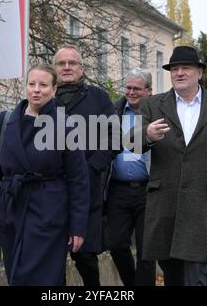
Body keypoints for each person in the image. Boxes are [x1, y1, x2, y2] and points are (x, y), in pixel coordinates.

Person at [126, 45, 207, 286]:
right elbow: (131, 142)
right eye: (174, 69)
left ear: (199, 73)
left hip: (204, 203)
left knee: (197, 274)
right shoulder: (153, 104)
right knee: (172, 274)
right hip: (165, 202)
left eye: (186, 68)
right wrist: (146, 134)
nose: (179, 73)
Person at [0, 64, 90, 286]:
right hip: (11, 209)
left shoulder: (66, 126)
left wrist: (78, 226)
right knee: (17, 275)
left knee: (41, 278)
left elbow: (78, 179)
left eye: (43, 85)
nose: (36, 90)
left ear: (54, 89)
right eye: (32, 84)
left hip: (49, 213)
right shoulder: (4, 121)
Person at [53, 44, 118, 286]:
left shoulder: (98, 98)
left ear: (82, 68)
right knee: (53, 256)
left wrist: (93, 167)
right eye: (62, 63)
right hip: (52, 190)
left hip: (87, 189)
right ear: (55, 68)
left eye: (72, 63)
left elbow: (114, 136)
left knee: (85, 254)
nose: (67, 67)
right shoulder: (45, 98)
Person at [104, 68, 156, 286]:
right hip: (118, 189)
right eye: (128, 88)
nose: (131, 92)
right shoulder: (114, 111)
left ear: (149, 91)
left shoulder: (156, 112)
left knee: (147, 250)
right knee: (115, 243)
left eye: (136, 88)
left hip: (148, 190)